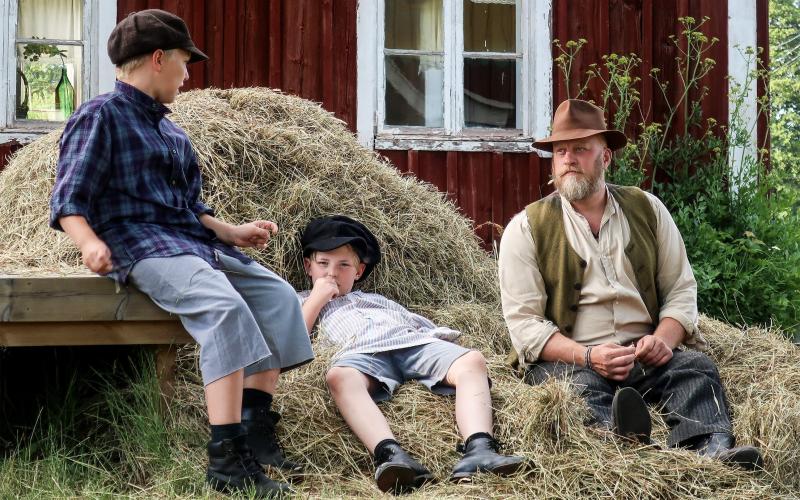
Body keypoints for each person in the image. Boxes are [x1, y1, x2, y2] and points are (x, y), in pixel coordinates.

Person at [49, 9, 313, 497]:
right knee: (224, 307)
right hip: (141, 245)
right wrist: (89, 244)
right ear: (157, 59)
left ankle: (254, 427)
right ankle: (227, 462)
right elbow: (69, 199)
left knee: (276, 296)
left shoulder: (172, 132)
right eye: (185, 63)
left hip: (192, 243)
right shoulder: (100, 115)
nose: (188, 75)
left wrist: (233, 232)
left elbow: (191, 208)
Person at [498, 99, 762, 469]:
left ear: (605, 157)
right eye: (560, 151)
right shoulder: (526, 228)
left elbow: (681, 290)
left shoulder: (647, 209)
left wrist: (663, 340)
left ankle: (711, 450)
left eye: (580, 149)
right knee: (573, 392)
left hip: (645, 355)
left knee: (695, 369)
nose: (568, 159)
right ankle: (626, 450)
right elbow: (525, 326)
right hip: (574, 360)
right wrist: (589, 356)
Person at [297, 215, 524, 493]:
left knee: (471, 360)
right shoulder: (301, 301)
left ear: (359, 271)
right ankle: (390, 455)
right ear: (308, 266)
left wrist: (440, 338)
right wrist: (318, 298)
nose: (332, 273)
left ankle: (479, 448)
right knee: (338, 376)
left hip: (411, 343)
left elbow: (415, 323)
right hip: (361, 354)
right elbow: (295, 336)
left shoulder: (377, 299)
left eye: (344, 265)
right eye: (323, 264)